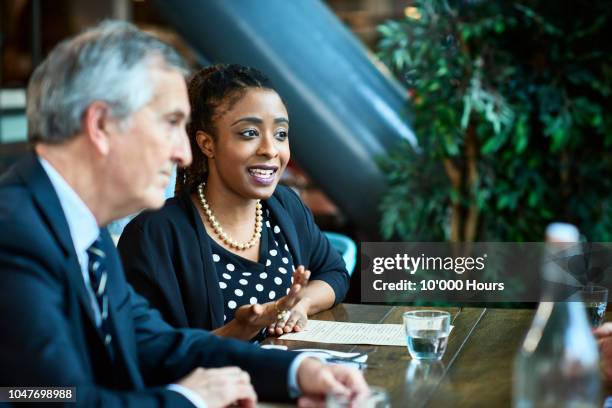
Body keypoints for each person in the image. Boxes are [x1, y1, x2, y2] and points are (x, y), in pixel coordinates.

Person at [0, 21, 367, 407]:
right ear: (102, 124)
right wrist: (187, 400)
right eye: (172, 123)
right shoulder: (15, 237)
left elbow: (156, 344)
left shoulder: (77, 232)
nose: (184, 153)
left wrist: (295, 372)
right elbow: (40, 399)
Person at [118, 64, 349, 341]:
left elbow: (333, 272)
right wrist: (242, 328)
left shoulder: (285, 206)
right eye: (249, 133)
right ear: (207, 144)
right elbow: (147, 354)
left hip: (292, 376)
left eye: (280, 134)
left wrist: (300, 304)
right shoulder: (154, 235)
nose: (270, 149)